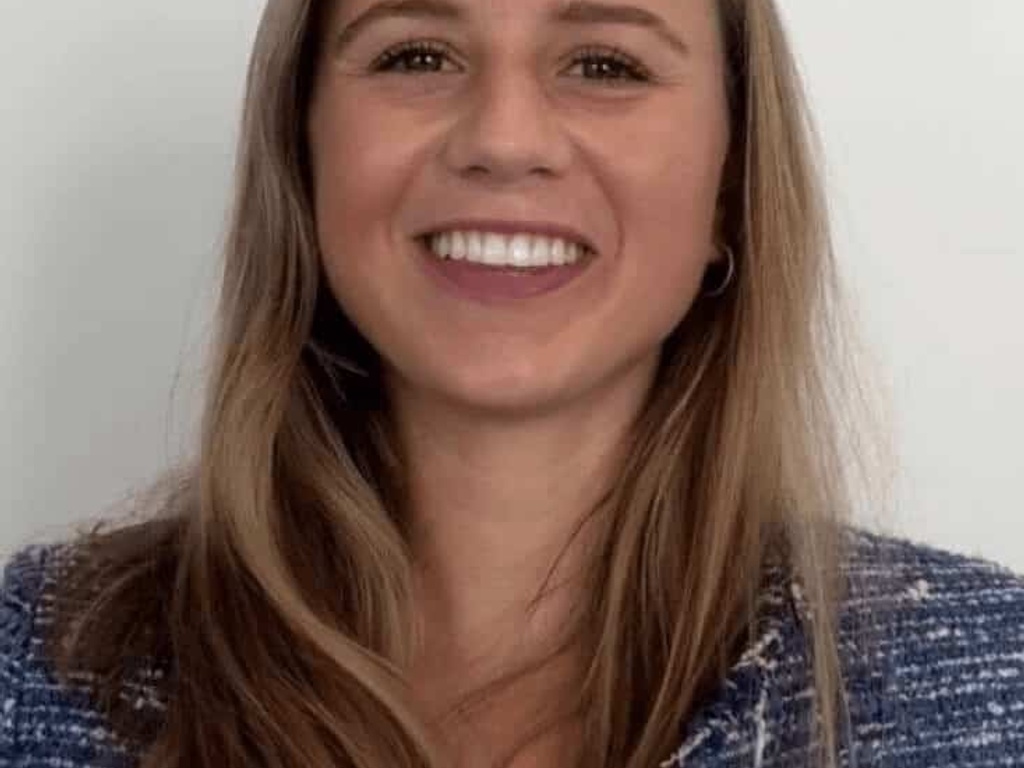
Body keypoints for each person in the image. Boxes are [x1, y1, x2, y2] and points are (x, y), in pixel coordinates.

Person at [1, 0, 1022, 766]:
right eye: (415, 53)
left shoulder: (990, 692)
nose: (502, 139)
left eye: (604, 63)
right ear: (302, 152)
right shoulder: (30, 672)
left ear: (729, 183)